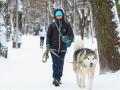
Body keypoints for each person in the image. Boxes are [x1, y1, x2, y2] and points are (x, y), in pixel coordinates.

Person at [43, 9, 74, 86]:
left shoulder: (67, 25)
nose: (58, 16)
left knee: (61, 64)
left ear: (62, 15)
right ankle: (55, 78)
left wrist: (70, 41)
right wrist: (47, 44)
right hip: (53, 49)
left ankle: (59, 78)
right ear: (55, 16)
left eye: (60, 15)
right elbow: (48, 36)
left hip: (63, 49)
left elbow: (71, 35)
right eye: (57, 15)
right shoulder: (52, 25)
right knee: (56, 63)